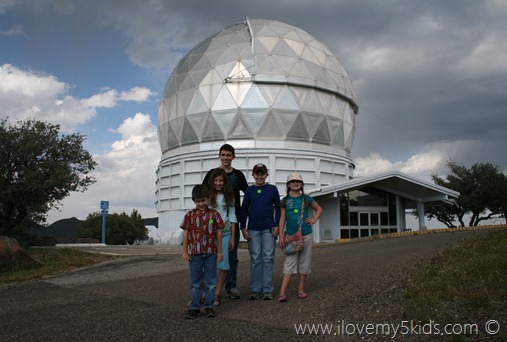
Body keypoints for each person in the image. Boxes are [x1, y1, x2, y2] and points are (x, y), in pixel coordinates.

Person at [203, 144, 248, 299]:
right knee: (209, 258)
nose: (226, 158)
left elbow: (247, 195)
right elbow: (202, 195)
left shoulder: (238, 175)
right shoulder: (212, 174)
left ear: (233, 157)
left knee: (232, 256)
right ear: (219, 155)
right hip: (211, 227)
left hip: (230, 224)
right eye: (223, 155)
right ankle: (209, 289)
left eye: (229, 155)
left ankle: (231, 286)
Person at [277, 172, 322, 302]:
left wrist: (313, 220)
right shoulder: (285, 200)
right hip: (291, 237)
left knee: (304, 263)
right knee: (289, 263)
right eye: (292, 181)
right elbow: (282, 219)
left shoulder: (306, 198)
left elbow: (319, 209)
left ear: (302, 184)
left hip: (306, 235)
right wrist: (281, 236)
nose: (295, 183)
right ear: (288, 185)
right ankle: (282, 292)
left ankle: (301, 290)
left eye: (298, 181)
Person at [181, 184, 224, 319]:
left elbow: (219, 233)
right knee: (196, 282)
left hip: (211, 252)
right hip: (195, 253)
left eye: (203, 200)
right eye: (198, 201)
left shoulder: (214, 214)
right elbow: (186, 234)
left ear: (208, 198)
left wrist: (219, 251)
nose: (201, 204)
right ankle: (194, 307)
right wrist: (185, 251)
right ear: (194, 201)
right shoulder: (189, 215)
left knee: (211, 282)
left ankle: (209, 306)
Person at [240, 163, 281, 300]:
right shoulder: (249, 191)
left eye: (262, 173)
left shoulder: (272, 189)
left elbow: (279, 208)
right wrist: (243, 227)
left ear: (266, 174)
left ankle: (267, 289)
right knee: (256, 259)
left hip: (269, 229)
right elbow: (244, 209)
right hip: (253, 229)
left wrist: (277, 226)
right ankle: (255, 289)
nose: (259, 176)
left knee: (268, 258)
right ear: (253, 175)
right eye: (257, 174)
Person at [206, 168, 237, 307]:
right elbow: (207, 215)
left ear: (224, 182)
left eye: (221, 181)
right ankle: (208, 292)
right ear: (212, 182)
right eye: (216, 180)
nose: (218, 183)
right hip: (210, 233)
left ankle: (218, 293)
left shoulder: (229, 196)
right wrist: (212, 224)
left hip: (225, 232)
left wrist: (232, 237)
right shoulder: (208, 196)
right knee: (208, 263)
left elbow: (232, 217)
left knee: (223, 263)